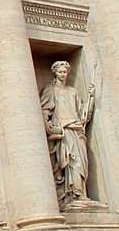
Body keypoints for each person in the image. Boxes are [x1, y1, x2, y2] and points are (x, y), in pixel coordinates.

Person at [39, 60, 94, 208]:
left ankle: (81, 192)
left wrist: (91, 99)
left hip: (77, 130)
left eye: (65, 72)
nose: (63, 75)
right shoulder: (50, 89)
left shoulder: (73, 92)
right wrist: (49, 126)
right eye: (60, 72)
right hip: (65, 130)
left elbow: (82, 115)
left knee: (82, 163)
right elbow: (45, 110)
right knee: (72, 160)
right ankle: (73, 193)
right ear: (55, 72)